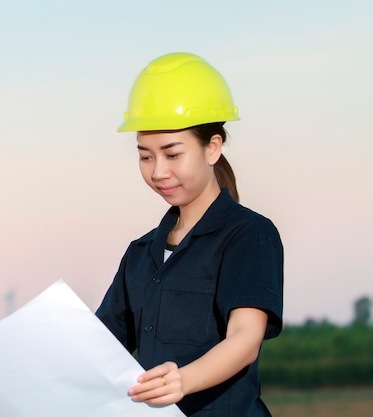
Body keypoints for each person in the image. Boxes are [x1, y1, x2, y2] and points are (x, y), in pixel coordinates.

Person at [95, 52, 284, 416]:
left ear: (212, 148)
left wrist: (184, 379)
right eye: (145, 156)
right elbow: (98, 346)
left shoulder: (249, 236)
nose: (157, 172)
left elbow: (245, 338)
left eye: (172, 154)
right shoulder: (140, 254)